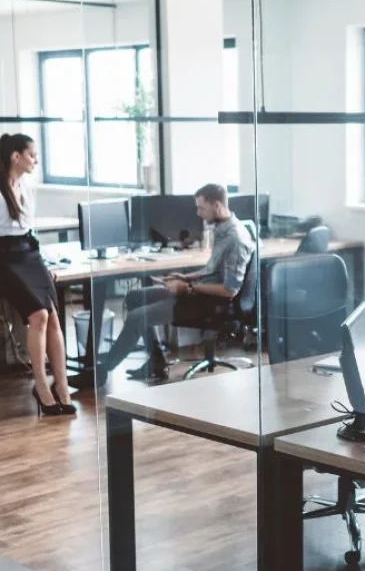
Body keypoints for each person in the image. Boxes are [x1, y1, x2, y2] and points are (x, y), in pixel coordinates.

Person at [97, 183, 255, 385]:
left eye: (201, 208)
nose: (198, 214)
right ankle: (156, 362)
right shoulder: (222, 230)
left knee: (137, 317)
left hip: (212, 303)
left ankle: (101, 373)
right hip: (198, 293)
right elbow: (212, 271)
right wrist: (185, 277)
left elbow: (229, 290)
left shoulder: (235, 238)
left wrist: (188, 288)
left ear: (216, 206)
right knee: (134, 297)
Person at [0, 133, 76, 417]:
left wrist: (43, 265)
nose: (36, 160)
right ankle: (41, 386)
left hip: (28, 254)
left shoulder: (27, 187)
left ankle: (63, 386)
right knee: (39, 316)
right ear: (15, 156)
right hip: (4, 258)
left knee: (54, 316)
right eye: (32, 154)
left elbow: (28, 233)